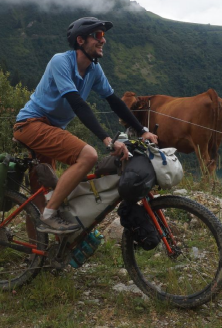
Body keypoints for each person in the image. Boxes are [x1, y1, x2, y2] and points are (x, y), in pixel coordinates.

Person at [13, 17, 158, 233]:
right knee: (88, 156)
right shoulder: (60, 61)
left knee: (43, 194)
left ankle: (38, 255)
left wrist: (142, 130)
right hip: (31, 124)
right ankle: (50, 215)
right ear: (80, 40)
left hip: (50, 129)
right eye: (98, 35)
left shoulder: (93, 70)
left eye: (104, 35)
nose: (103, 40)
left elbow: (114, 101)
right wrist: (107, 140)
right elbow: (78, 104)